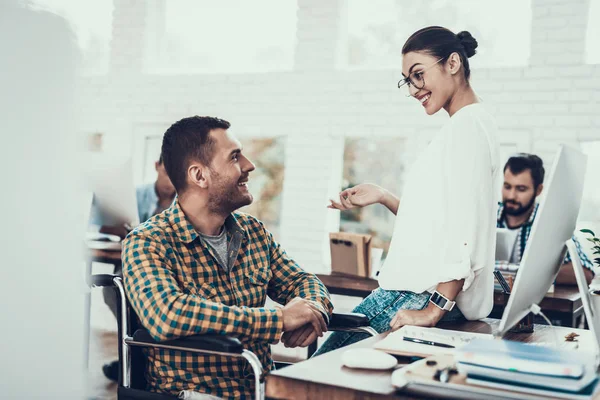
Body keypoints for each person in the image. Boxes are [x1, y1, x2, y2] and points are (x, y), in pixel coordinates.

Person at [314, 26, 500, 356]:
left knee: (307, 381)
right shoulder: (475, 122)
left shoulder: (466, 128)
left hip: (411, 296)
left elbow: (464, 228)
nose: (414, 89)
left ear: (453, 63)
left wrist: (435, 307)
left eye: (418, 74)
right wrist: (385, 196)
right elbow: (441, 221)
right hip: (419, 295)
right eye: (407, 80)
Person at [121, 116, 332, 399]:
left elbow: (301, 280)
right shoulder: (147, 241)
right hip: (195, 394)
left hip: (258, 388)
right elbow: (168, 314)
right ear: (199, 176)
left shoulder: (253, 231)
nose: (249, 165)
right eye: (235, 157)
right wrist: (278, 319)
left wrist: (312, 309)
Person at [100, 154, 177, 381]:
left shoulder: (186, 201)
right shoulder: (136, 195)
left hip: (168, 269)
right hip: (134, 265)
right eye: (166, 172)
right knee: (114, 288)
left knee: (151, 295)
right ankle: (137, 356)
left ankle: (137, 358)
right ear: (156, 166)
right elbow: (105, 223)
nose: (171, 180)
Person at [498, 153, 594, 284]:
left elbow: (584, 272)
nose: (511, 196)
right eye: (507, 186)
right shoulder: (487, 216)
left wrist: (526, 275)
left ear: (538, 190)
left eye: (521, 189)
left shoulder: (550, 222)